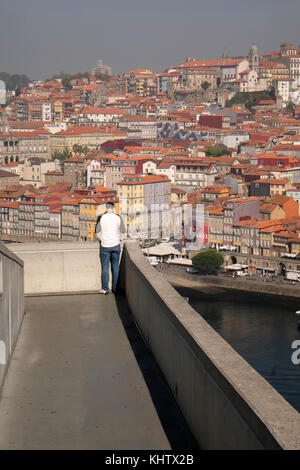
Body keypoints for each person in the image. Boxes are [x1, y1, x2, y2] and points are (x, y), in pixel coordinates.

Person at [95, 203, 126, 295]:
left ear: (106, 209)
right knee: (115, 267)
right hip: (116, 245)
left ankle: (105, 289)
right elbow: (123, 231)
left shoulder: (101, 217)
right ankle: (115, 289)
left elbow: (97, 231)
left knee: (105, 268)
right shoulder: (118, 217)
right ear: (113, 209)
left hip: (105, 245)